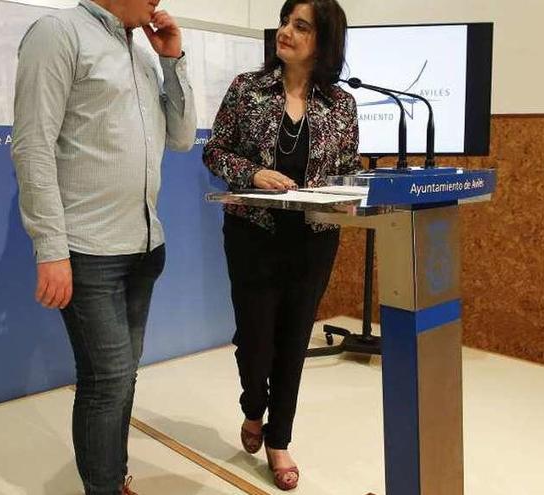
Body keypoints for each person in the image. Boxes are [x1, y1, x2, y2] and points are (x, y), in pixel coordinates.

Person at [10, 0, 196, 493]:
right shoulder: (57, 32)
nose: (158, 0)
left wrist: (174, 61)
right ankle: (104, 487)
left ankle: (114, 479)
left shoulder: (141, 49)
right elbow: (32, 145)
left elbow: (181, 137)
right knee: (107, 378)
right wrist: (51, 249)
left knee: (123, 378)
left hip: (144, 245)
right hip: (88, 249)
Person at [203, 0, 359, 490]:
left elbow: (348, 169)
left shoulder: (341, 104)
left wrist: (346, 195)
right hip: (253, 234)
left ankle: (279, 439)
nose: (285, 31)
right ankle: (253, 406)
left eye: (300, 25)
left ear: (323, 41)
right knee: (255, 340)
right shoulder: (247, 89)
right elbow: (214, 149)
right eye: (284, 21)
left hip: (313, 239)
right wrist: (251, 172)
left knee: (293, 342)